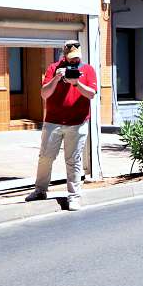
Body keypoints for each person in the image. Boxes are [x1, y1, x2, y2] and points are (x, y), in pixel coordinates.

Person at [25, 40, 97, 211]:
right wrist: (57, 78)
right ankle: (40, 190)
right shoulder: (53, 69)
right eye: (71, 58)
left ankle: (74, 197)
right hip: (53, 122)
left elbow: (92, 94)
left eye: (77, 58)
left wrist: (77, 83)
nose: (74, 62)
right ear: (64, 55)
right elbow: (44, 94)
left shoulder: (87, 70)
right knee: (45, 157)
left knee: (73, 161)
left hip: (78, 123)